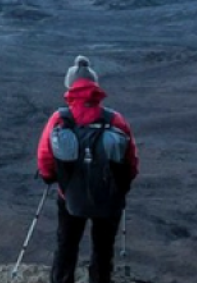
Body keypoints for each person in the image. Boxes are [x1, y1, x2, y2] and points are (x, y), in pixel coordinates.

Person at [35, 55, 139, 283]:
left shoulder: (60, 118)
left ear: (70, 86)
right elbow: (131, 159)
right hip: (108, 195)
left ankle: (62, 279)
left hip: (70, 194)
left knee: (67, 244)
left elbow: (44, 156)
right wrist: (122, 186)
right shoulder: (115, 119)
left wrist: (51, 177)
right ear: (95, 87)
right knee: (103, 248)